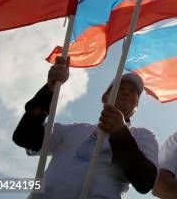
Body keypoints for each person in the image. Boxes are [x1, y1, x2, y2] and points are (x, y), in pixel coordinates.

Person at [12, 57, 158, 198]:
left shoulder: (143, 136)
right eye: (120, 87)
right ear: (104, 97)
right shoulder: (72, 131)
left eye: (133, 92)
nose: (126, 92)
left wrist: (120, 134)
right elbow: (25, 136)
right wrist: (49, 89)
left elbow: (145, 182)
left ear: (136, 106)